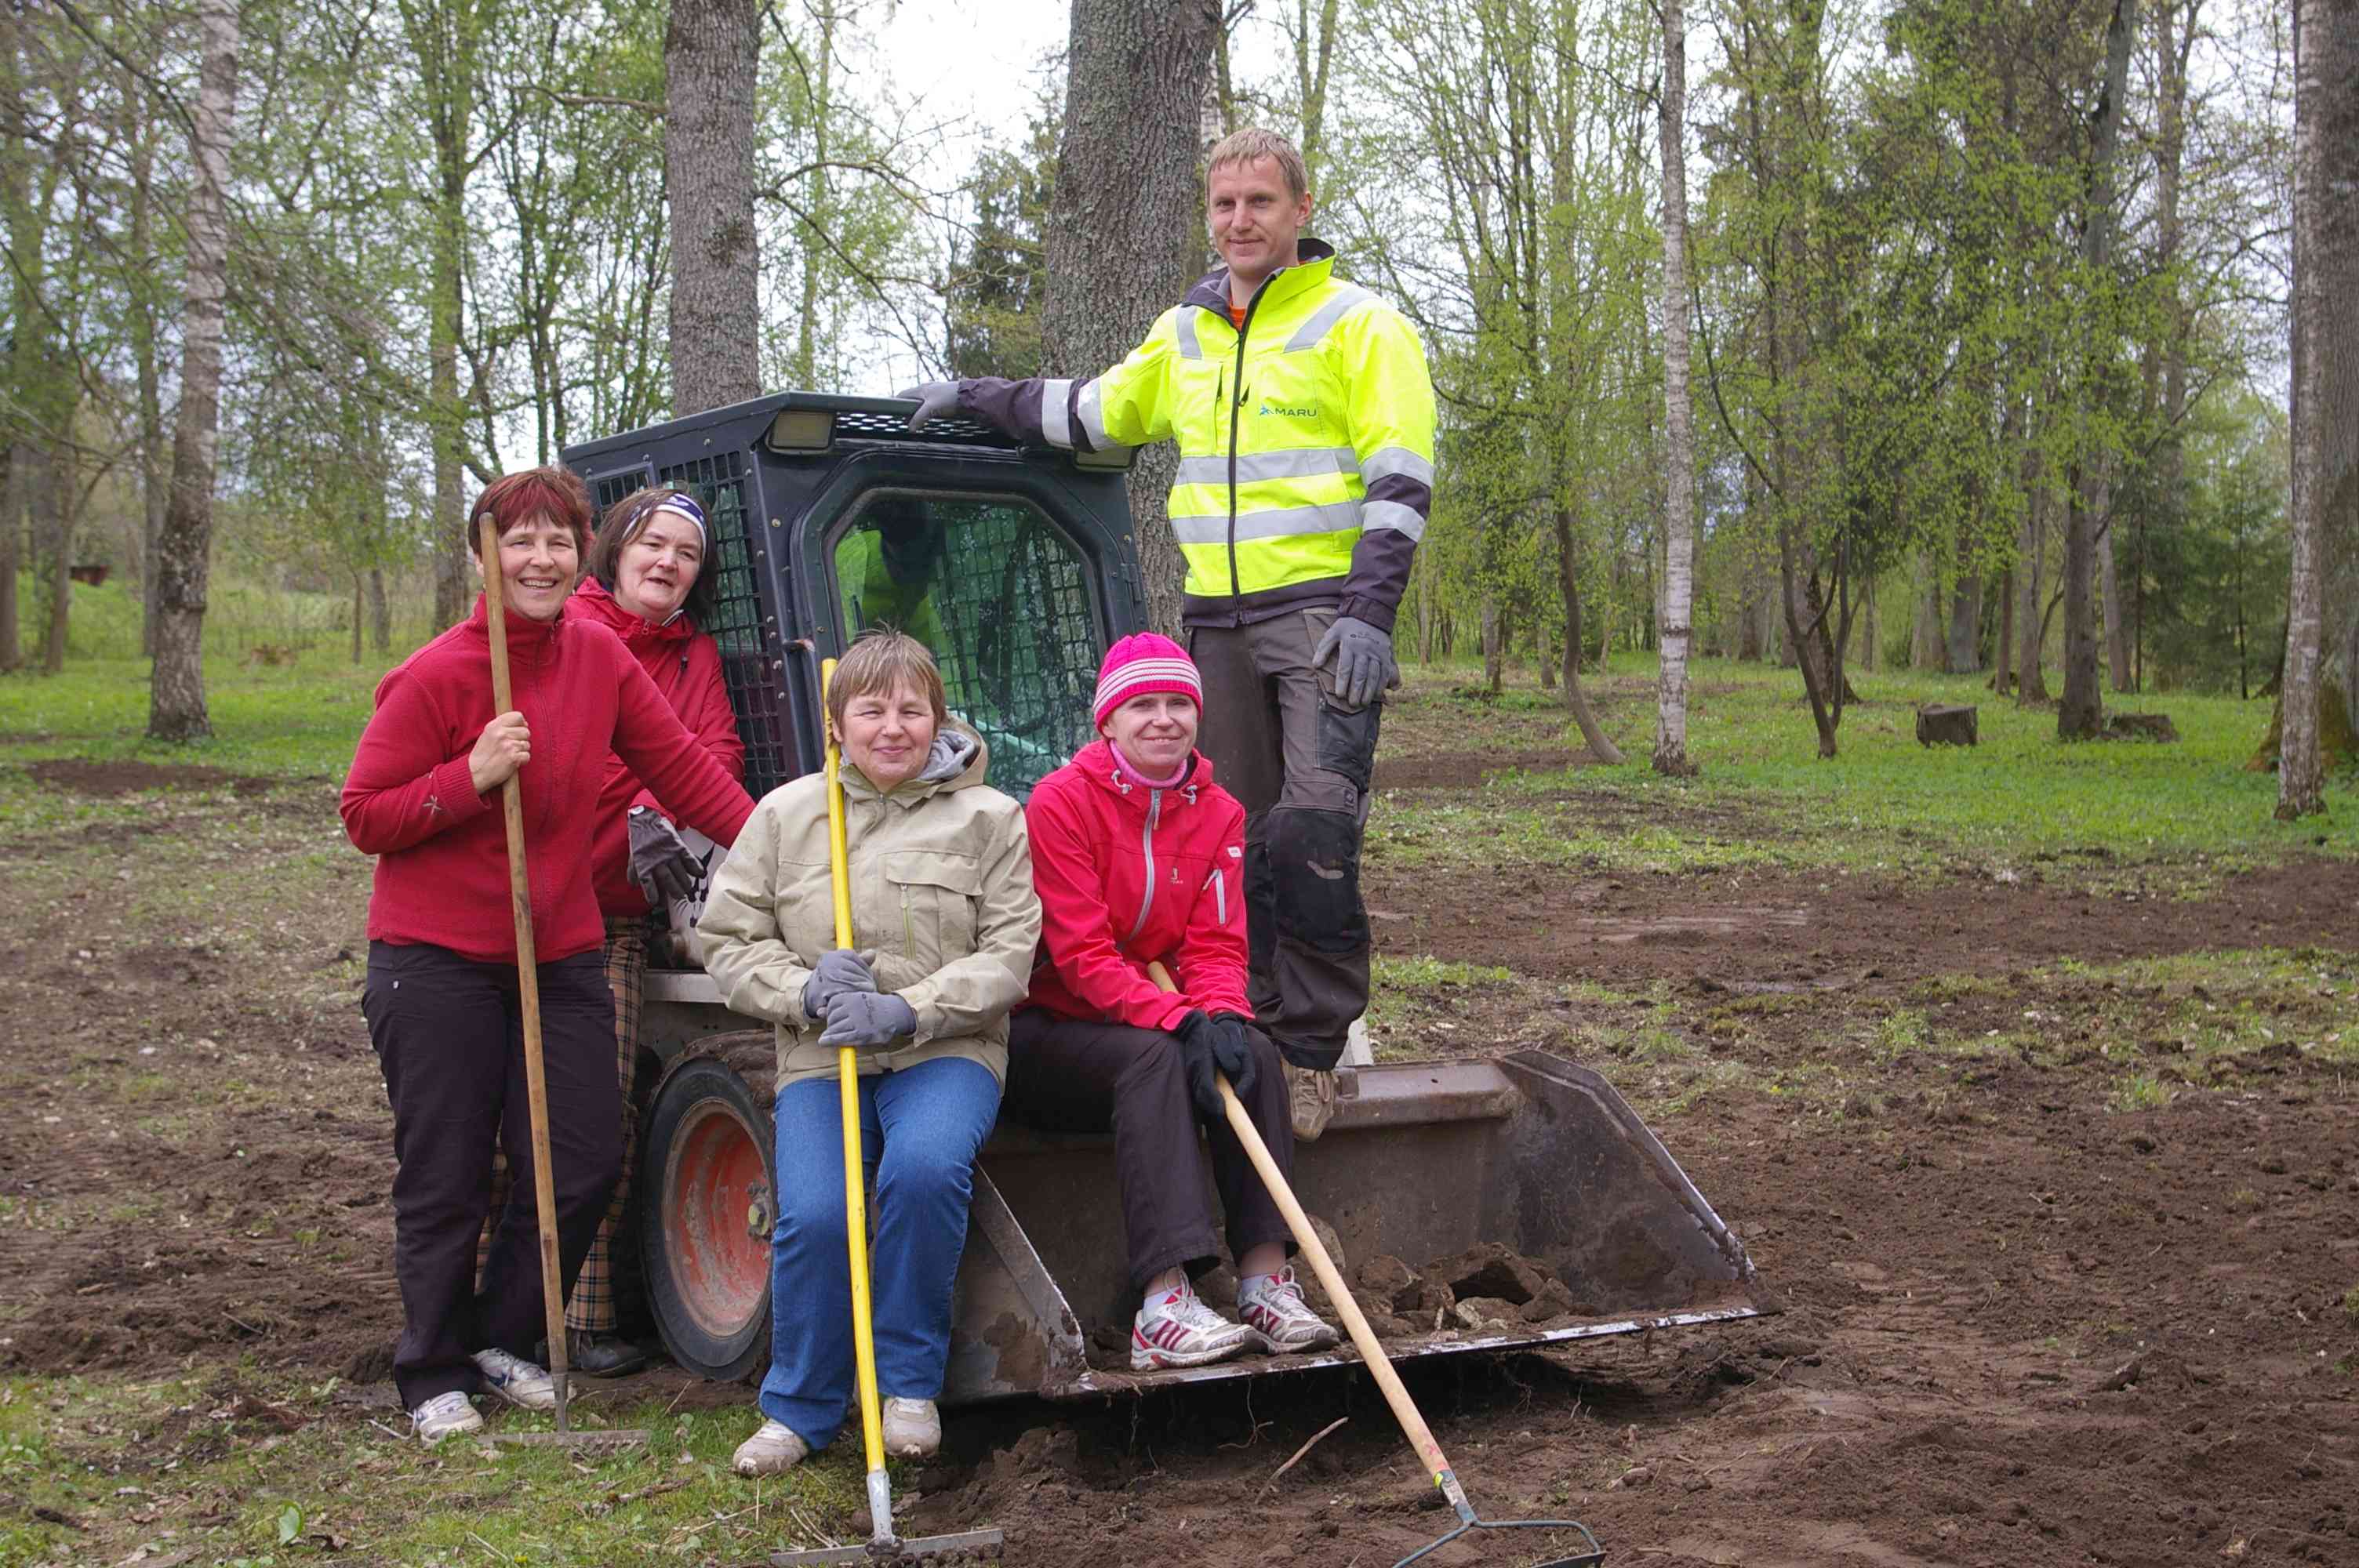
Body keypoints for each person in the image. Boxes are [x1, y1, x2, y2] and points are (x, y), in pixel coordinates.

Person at [900, 126, 1437, 1142]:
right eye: (1224, 204)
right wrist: (974, 396)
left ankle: (1312, 1052)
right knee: (1235, 841)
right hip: (1217, 625)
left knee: (1313, 827)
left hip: (1323, 614)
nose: (1240, 221)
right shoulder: (1185, 333)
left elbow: (1401, 478)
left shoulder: (1360, 326)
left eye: (1260, 204)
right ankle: (1254, 1027)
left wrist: (1371, 613)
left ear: (1300, 211)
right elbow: (1093, 414)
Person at [343, 467, 755, 1444]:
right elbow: (365, 814)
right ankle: (430, 1364)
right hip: (435, 957)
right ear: (483, 555)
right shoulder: (439, 673)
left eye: (557, 541)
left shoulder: (601, 658)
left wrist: (784, 852)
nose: (540, 558)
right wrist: (468, 776)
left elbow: (688, 772)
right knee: (444, 1171)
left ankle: (505, 1334)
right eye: (518, 541)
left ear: (583, 556)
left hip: (559, 943)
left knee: (581, 1155)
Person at [696, 630, 1040, 1476]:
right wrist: (804, 989)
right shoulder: (785, 815)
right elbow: (729, 941)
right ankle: (800, 1407)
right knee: (815, 1214)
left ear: (938, 716)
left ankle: (906, 1388)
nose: (893, 726)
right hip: (822, 1057)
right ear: (837, 721)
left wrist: (906, 1008)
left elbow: (1009, 951)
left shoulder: (990, 817)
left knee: (922, 1172)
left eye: (911, 709)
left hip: (946, 1051)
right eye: (872, 709)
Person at [1005, 633, 1341, 1369]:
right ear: (1109, 722)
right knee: (1156, 1060)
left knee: (1252, 1050)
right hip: (1050, 1028)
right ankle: (1162, 1304)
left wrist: (1218, 1014)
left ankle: (1264, 1281)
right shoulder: (1060, 804)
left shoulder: (1218, 811)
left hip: (1152, 1018)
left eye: (1179, 704)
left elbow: (1217, 947)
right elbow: (1082, 957)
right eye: (1143, 705)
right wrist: (1178, 1018)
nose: (1163, 719)